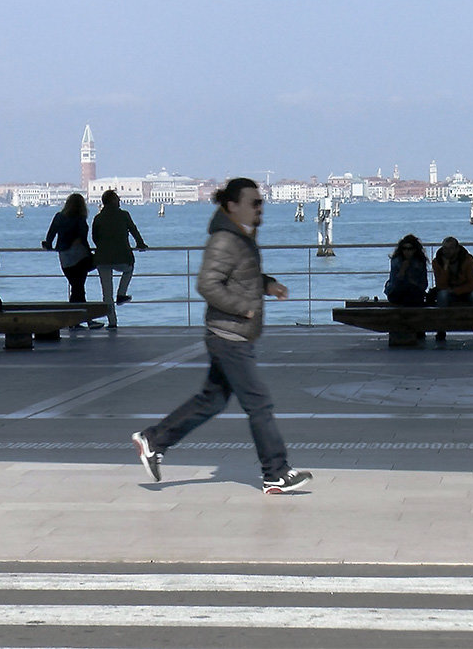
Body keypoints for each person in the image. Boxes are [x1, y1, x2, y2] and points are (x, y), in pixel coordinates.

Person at [130, 177, 312, 495]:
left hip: (234, 334)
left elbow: (242, 276)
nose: (260, 208)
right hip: (229, 335)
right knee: (258, 403)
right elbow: (207, 284)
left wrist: (267, 284)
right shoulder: (225, 240)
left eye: (261, 202)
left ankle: (154, 440)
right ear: (233, 206)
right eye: (254, 202)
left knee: (211, 400)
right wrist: (244, 308)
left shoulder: (241, 237)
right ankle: (275, 472)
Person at [43, 193, 104, 329]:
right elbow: (83, 239)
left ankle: (76, 321)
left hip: (64, 258)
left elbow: (50, 235)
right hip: (79, 257)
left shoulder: (59, 217)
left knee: (77, 289)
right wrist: (92, 254)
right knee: (78, 288)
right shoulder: (80, 219)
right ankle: (80, 321)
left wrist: (49, 245)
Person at [91, 189, 149, 329]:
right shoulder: (124, 215)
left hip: (102, 258)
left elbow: (95, 237)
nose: (120, 201)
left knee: (106, 293)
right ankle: (122, 293)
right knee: (129, 269)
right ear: (113, 201)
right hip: (122, 256)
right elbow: (134, 230)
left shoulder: (98, 218)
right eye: (117, 198)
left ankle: (112, 322)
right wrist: (140, 244)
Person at [429, 236, 473, 338]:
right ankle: (441, 329)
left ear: (457, 249)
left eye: (450, 248)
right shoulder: (437, 262)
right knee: (442, 295)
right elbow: (441, 285)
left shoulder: (467, 259)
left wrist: (456, 291)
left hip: (466, 289)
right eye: (445, 248)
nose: (447, 251)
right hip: (449, 291)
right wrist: (445, 267)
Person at [384, 234, 429, 306]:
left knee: (414, 295)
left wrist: (412, 281)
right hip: (397, 291)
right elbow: (394, 283)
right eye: (404, 248)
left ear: (415, 250)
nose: (407, 251)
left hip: (414, 291)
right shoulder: (396, 261)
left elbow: (424, 284)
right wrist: (402, 271)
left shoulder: (419, 263)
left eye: (410, 249)